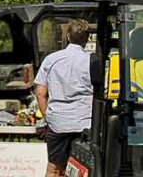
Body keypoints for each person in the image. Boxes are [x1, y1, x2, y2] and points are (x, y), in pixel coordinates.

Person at [34, 19, 94, 177]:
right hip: (85, 122)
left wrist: (48, 117)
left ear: (67, 36)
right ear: (87, 38)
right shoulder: (92, 61)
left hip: (58, 122)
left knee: (54, 168)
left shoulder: (51, 59)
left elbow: (40, 93)